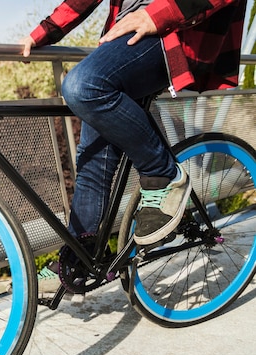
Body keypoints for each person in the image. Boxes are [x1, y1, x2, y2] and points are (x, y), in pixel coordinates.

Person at [20, 0, 247, 247]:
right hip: (122, 36)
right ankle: (80, 257)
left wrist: (157, 15)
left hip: (174, 33)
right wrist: (44, 31)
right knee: (93, 159)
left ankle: (163, 174)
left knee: (83, 86)